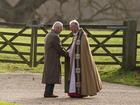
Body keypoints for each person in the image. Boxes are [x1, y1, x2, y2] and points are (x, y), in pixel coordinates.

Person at [65, 20, 102, 98]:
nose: (70, 29)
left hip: (81, 60)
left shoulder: (82, 35)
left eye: (71, 27)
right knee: (74, 76)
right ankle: (74, 91)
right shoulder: (76, 35)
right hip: (75, 60)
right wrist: (68, 52)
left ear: (76, 26)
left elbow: (83, 49)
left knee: (81, 75)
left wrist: (70, 52)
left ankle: (81, 92)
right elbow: (73, 46)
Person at [42, 21, 68, 98]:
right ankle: (48, 93)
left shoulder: (49, 35)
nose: (61, 31)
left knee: (50, 74)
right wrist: (67, 54)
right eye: (60, 29)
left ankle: (48, 92)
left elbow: (58, 47)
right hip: (53, 58)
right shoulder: (55, 36)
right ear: (57, 28)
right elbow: (59, 48)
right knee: (52, 75)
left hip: (49, 58)